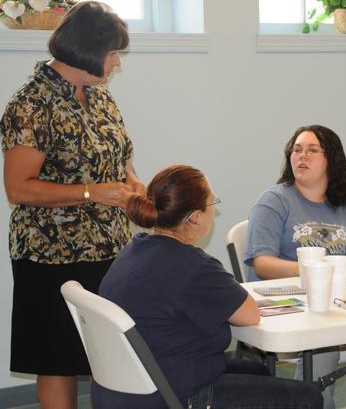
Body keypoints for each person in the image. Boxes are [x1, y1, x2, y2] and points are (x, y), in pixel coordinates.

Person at [0, 1, 144, 409]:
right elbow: (19, 188)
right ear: (86, 51)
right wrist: (92, 192)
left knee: (109, 354)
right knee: (58, 359)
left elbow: (120, 158)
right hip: (51, 254)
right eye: (112, 53)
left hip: (110, 249)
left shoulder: (99, 97)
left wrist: (134, 186)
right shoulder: (29, 104)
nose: (116, 62)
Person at [93, 164, 323, 409]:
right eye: (212, 204)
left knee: (258, 371)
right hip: (172, 396)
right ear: (195, 216)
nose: (214, 211)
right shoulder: (193, 266)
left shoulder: (133, 249)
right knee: (307, 398)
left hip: (128, 388)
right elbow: (249, 314)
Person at [244, 125, 346, 409]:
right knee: (322, 349)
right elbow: (262, 263)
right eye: (297, 150)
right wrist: (314, 271)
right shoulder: (274, 200)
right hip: (291, 305)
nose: (302, 156)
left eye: (312, 150)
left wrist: (339, 281)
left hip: (339, 305)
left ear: (332, 160)